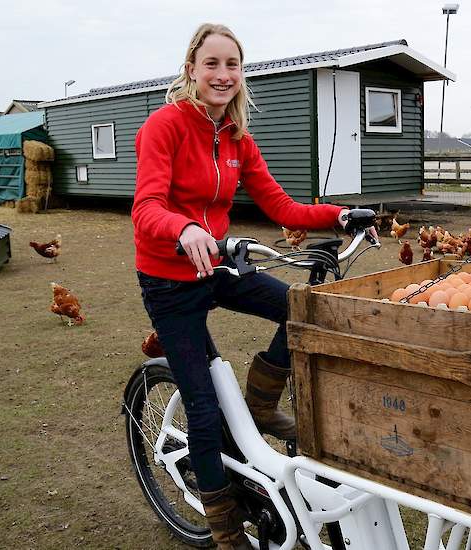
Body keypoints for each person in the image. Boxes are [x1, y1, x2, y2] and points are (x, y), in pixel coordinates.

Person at [132, 23, 372, 550]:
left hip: (216, 266)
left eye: (232, 65)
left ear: (242, 75)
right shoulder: (163, 127)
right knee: (202, 405)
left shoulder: (238, 139)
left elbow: (282, 207)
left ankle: (262, 406)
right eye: (212, 64)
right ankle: (225, 532)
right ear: (191, 68)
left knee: (298, 309)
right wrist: (185, 227)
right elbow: (147, 207)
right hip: (169, 281)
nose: (222, 75)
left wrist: (341, 216)